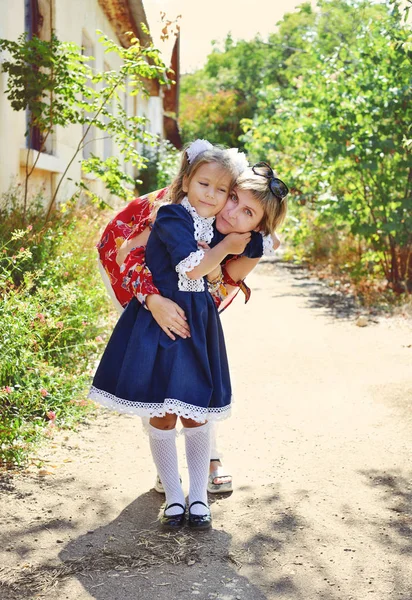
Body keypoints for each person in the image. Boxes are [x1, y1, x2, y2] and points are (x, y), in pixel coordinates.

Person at [90, 143, 288, 530]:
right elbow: (129, 254)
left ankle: (200, 485)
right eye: (231, 197)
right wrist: (152, 300)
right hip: (142, 291)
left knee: (196, 396)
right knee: (158, 395)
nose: (226, 206)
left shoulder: (235, 232)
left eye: (241, 206)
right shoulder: (177, 212)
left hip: (196, 312)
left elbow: (220, 284)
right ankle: (171, 483)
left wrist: (243, 247)